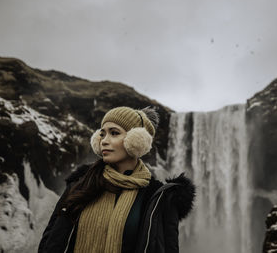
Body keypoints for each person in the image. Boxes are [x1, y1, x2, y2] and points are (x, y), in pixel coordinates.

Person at [38, 106, 195, 253]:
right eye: (102, 134)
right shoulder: (80, 183)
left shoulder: (159, 197)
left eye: (114, 133)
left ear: (136, 140)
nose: (104, 141)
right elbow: (50, 239)